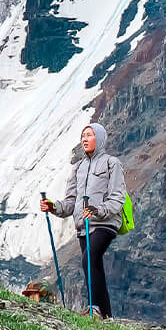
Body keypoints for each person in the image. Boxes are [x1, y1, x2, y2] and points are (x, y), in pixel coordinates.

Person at [41, 122, 126, 318]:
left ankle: (94, 308)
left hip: (105, 223)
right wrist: (53, 207)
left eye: (89, 135)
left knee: (90, 258)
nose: (84, 139)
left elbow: (118, 197)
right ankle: (105, 315)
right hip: (83, 225)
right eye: (83, 136)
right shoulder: (78, 168)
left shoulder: (111, 163)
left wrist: (98, 210)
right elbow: (71, 201)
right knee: (91, 265)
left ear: (100, 138)